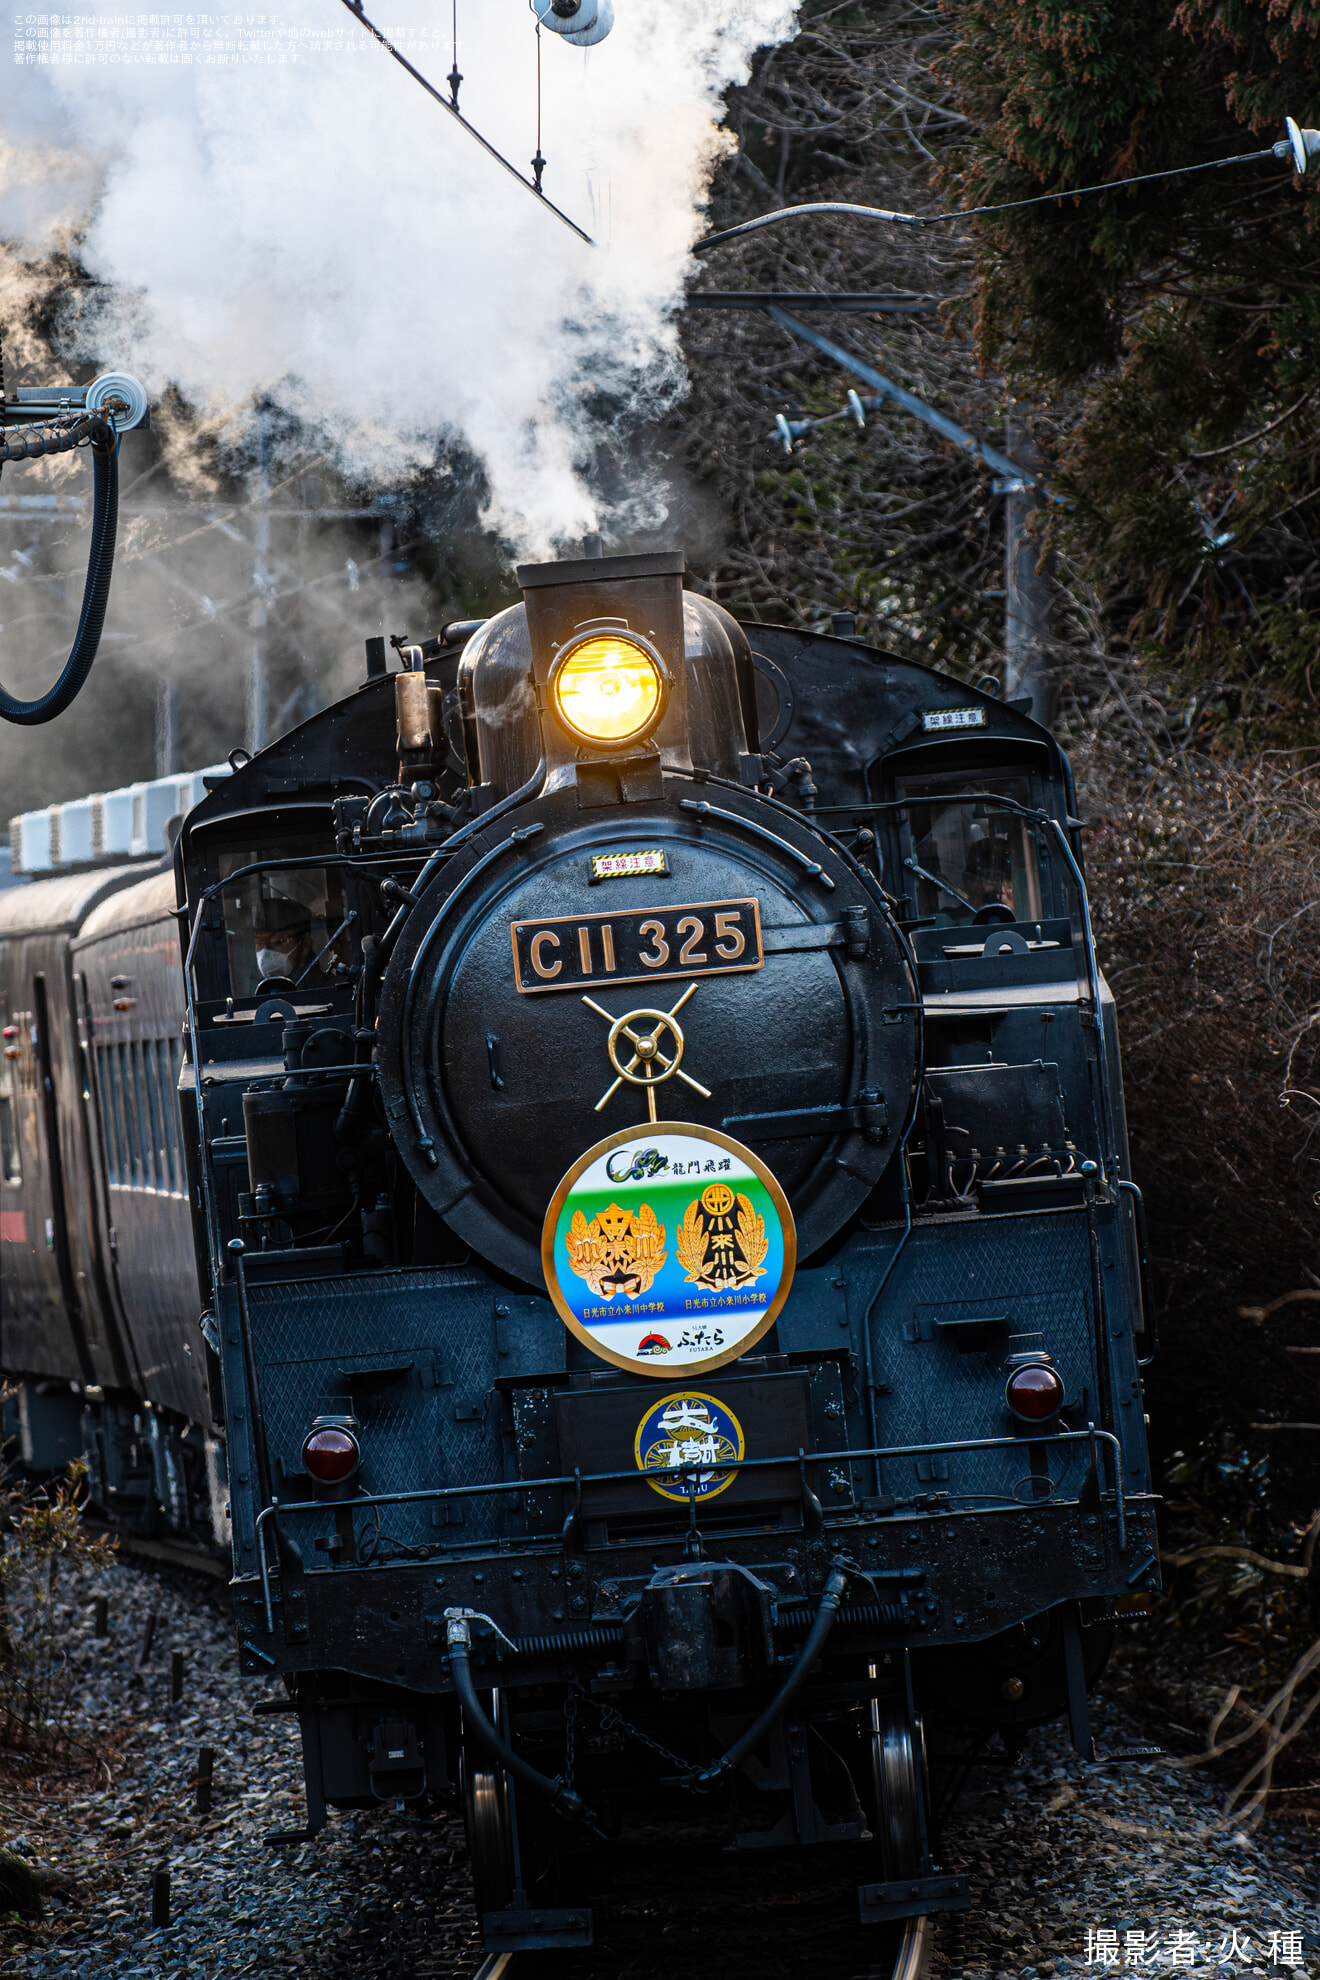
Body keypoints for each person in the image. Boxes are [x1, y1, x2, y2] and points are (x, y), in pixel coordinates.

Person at [253, 898, 322, 987]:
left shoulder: (330, 990)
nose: (266, 953)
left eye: (279, 942)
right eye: (259, 943)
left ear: (306, 944)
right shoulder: (254, 996)